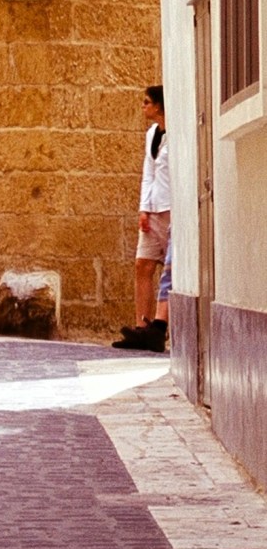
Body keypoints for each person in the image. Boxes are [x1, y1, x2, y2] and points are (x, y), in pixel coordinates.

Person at [112, 85, 170, 352]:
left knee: (170, 269)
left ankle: (158, 328)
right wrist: (143, 208)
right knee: (142, 264)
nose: (143, 106)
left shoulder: (176, 134)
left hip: (171, 208)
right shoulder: (151, 135)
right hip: (153, 207)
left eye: (147, 102)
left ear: (158, 106)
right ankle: (141, 327)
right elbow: (148, 173)